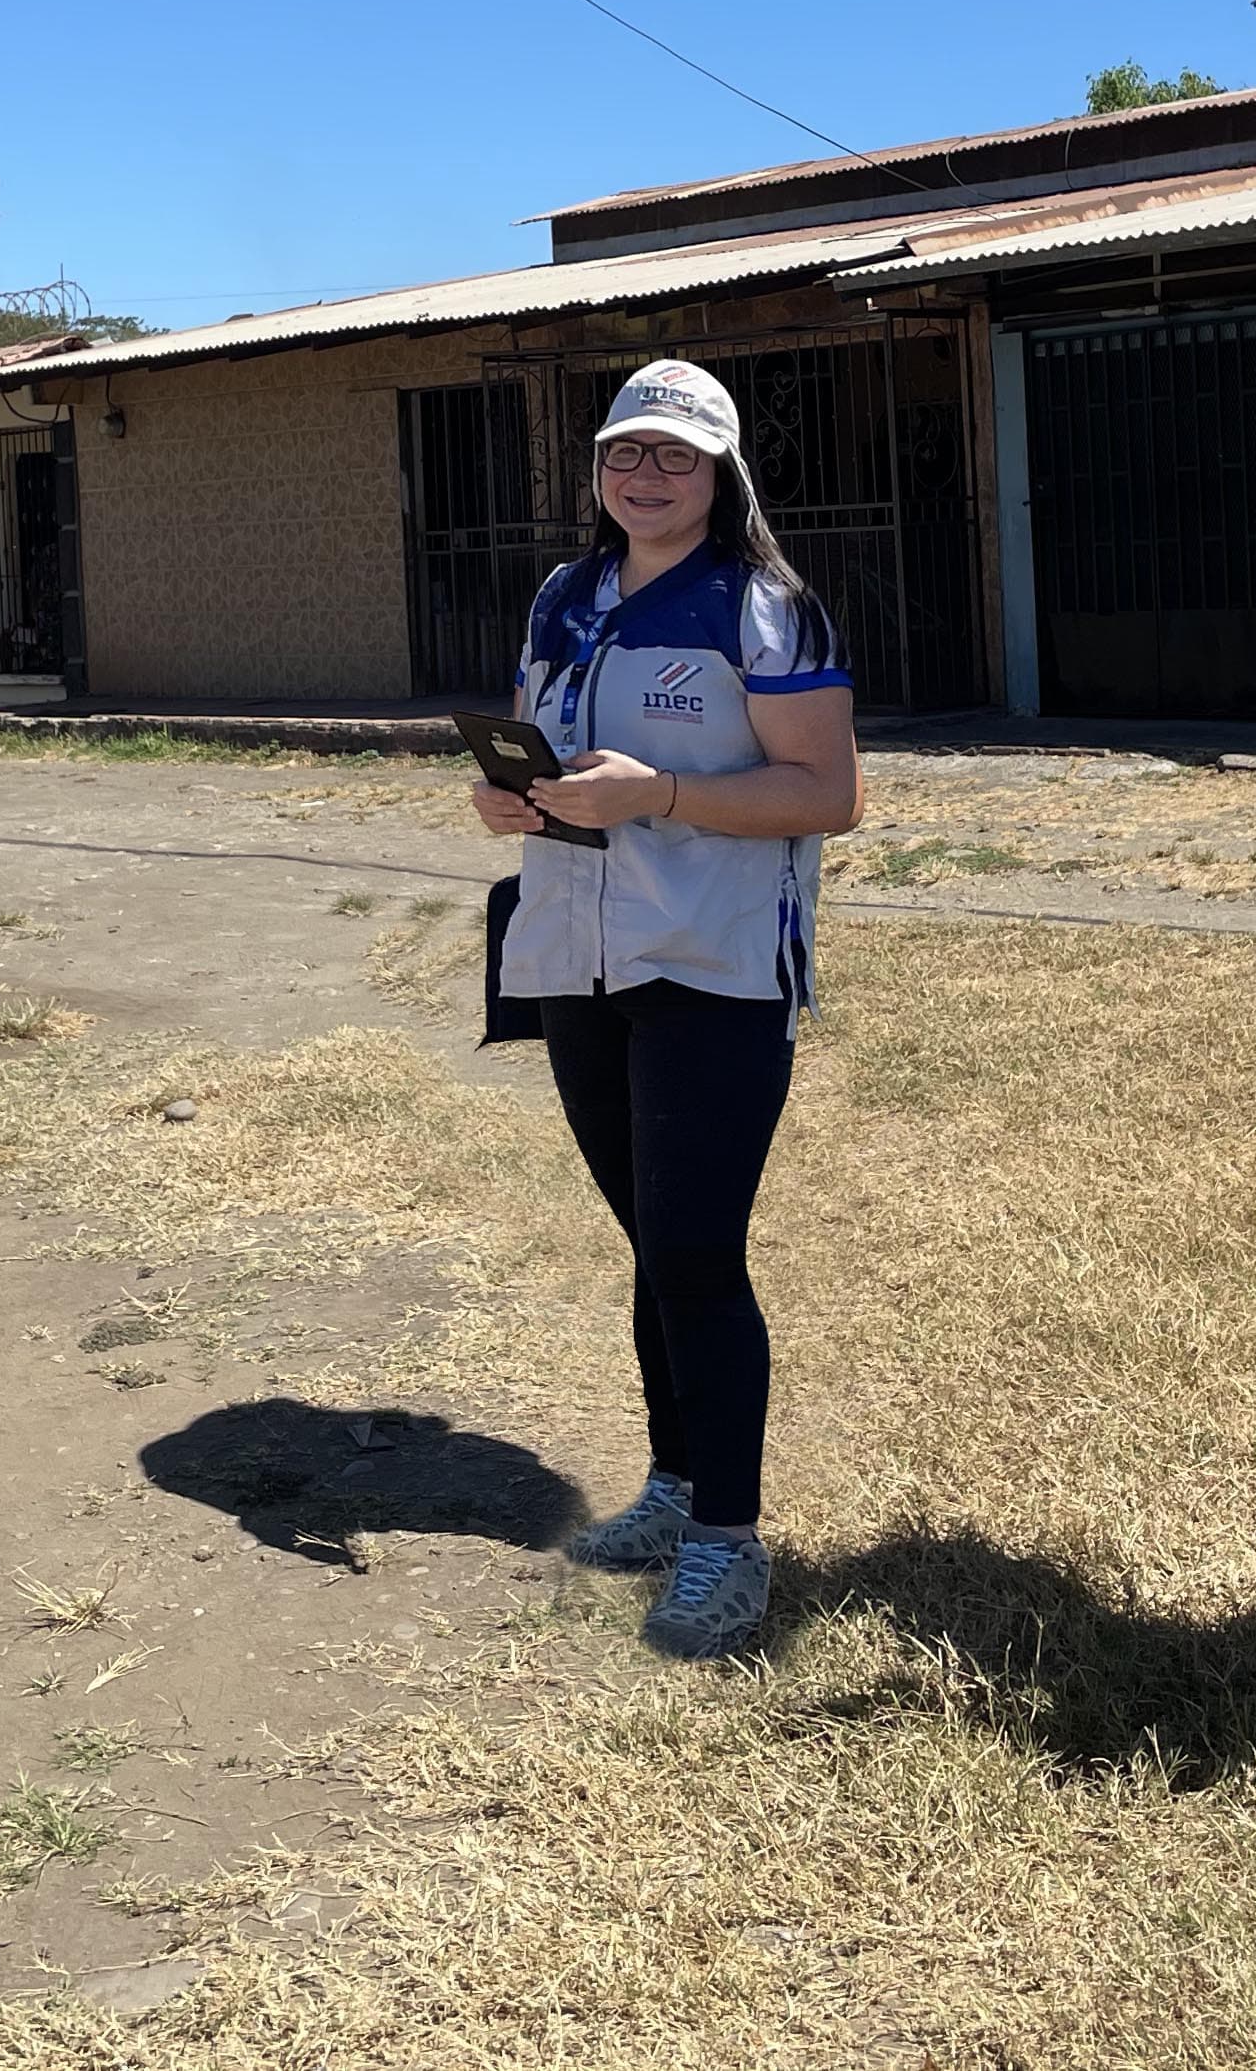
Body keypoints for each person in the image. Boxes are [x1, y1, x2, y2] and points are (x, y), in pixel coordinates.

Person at [471, 357, 861, 1660]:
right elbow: (542, 751)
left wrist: (662, 796)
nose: (645, 477)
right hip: (579, 955)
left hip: (716, 961)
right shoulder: (564, 597)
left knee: (697, 1253)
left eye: (675, 458)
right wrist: (509, 799)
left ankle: (727, 1546)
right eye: (625, 455)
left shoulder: (766, 609)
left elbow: (825, 795)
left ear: (721, 475)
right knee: (652, 1242)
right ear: (597, 471)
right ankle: (674, 1486)